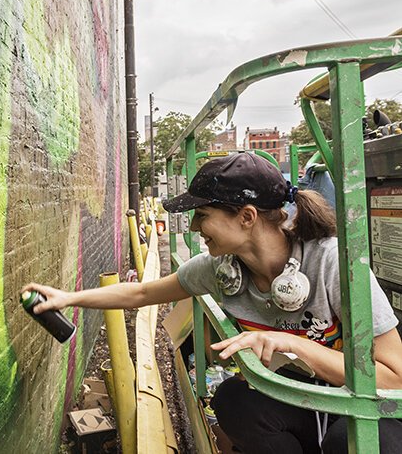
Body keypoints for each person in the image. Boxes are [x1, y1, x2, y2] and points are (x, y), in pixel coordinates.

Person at [21, 152, 402, 454]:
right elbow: (140, 293)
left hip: (363, 402)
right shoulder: (219, 268)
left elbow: (394, 378)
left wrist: (296, 343)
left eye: (202, 215)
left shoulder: (332, 263)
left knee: (351, 442)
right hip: (301, 396)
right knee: (234, 401)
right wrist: (69, 298)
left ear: (247, 217)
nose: (194, 228)